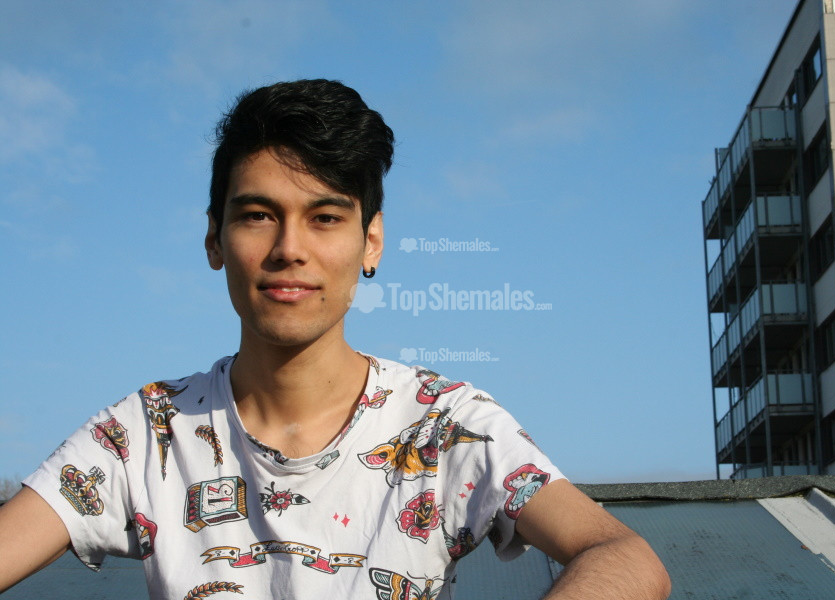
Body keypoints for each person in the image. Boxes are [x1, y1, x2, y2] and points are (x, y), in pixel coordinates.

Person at [0, 79, 670, 599]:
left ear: (371, 241)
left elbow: (625, 557)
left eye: (324, 217)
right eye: (258, 215)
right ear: (214, 238)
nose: (289, 249)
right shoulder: (147, 434)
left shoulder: (443, 426)